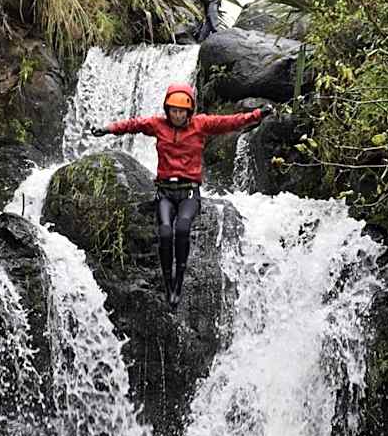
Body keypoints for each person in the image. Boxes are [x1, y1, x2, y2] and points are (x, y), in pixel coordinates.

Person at [92, 83, 272, 309]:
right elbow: (133, 125)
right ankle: (168, 284)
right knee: (166, 232)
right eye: (173, 111)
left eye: (182, 111)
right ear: (167, 110)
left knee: (182, 229)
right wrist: (107, 129)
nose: (177, 115)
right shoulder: (157, 125)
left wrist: (257, 115)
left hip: (188, 193)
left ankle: (179, 281)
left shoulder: (201, 125)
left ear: (189, 111)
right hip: (165, 192)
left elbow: (230, 122)